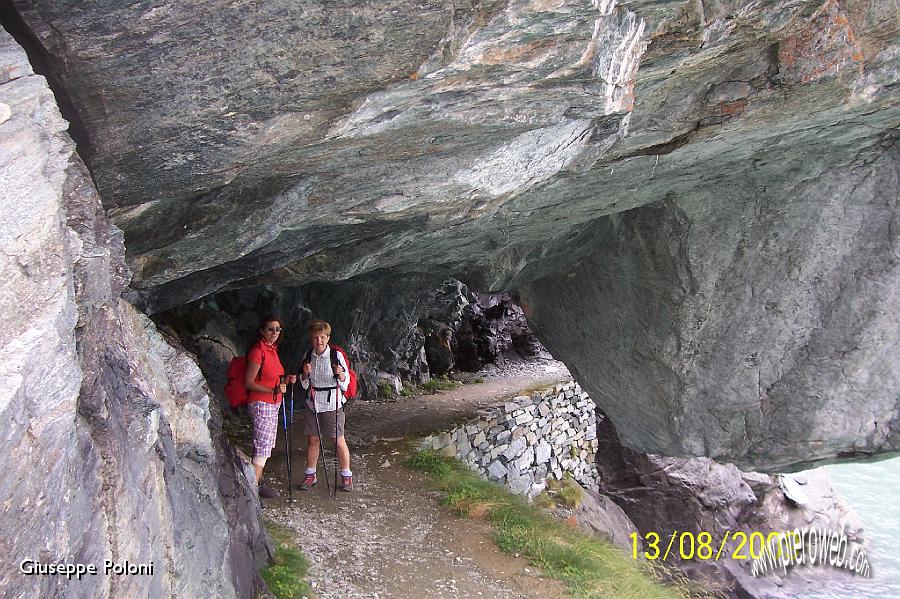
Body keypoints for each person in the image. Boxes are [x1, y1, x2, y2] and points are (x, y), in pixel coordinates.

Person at [244, 315, 296, 498]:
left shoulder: (272, 349)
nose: (274, 332)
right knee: (263, 448)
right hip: (262, 403)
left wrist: (286, 380)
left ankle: (256, 483)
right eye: (270, 329)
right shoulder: (258, 351)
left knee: (263, 446)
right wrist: (272, 389)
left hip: (273, 403)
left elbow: (272, 377)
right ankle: (251, 494)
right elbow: (249, 382)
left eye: (278, 329)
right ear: (262, 330)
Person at [298, 319, 353, 492]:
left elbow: (345, 383)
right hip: (313, 401)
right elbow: (305, 384)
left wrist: (341, 374)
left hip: (332, 402)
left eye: (322, 337)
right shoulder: (308, 356)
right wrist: (305, 374)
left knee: (337, 440)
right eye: (315, 337)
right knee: (313, 439)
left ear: (328, 338)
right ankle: (310, 475)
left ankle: (346, 476)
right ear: (311, 338)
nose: (319, 341)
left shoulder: (336, 356)